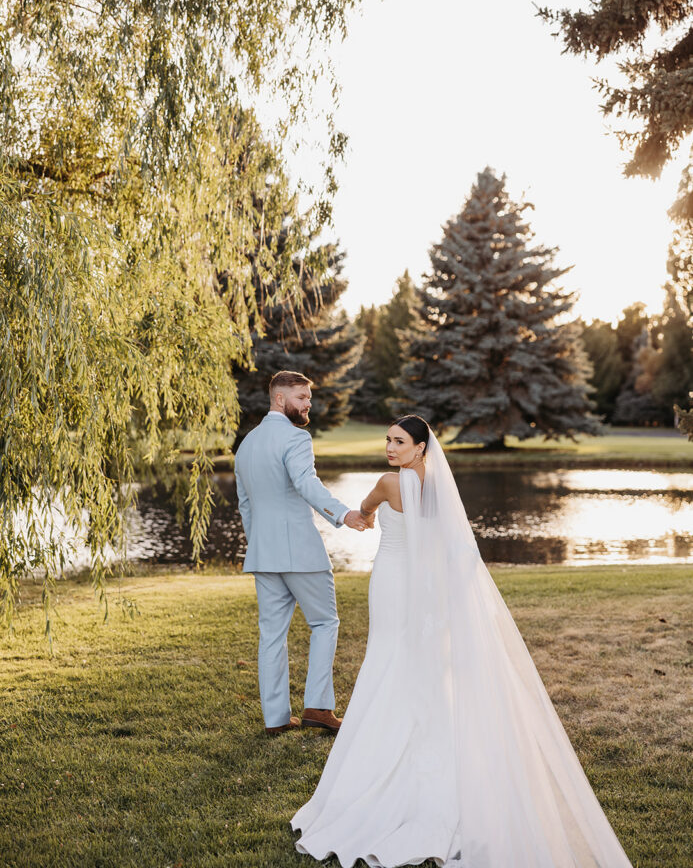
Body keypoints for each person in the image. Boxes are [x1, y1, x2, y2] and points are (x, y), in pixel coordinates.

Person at [291, 415, 634, 868]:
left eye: (400, 442)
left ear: (420, 447)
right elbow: (454, 548)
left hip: (394, 581)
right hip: (430, 588)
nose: (390, 448)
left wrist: (366, 516)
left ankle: (384, 760)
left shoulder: (388, 483)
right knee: (419, 664)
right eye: (388, 440)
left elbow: (366, 510)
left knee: (389, 659)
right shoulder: (440, 488)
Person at [234, 370, 373, 737]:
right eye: (301, 397)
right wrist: (345, 513)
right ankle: (319, 708)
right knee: (325, 623)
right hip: (300, 551)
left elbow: (245, 506)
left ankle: (275, 719)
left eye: (308, 398)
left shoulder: (246, 445)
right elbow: (306, 484)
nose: (308, 404)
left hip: (263, 555)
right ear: (280, 399)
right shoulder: (296, 438)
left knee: (272, 636)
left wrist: (259, 544)